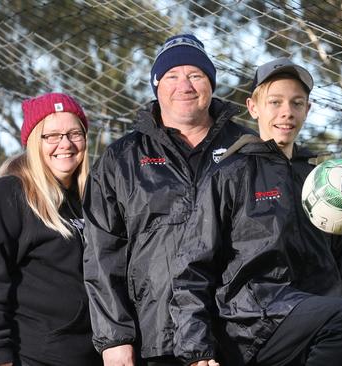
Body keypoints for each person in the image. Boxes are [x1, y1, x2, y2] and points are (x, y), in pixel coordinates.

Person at [170, 58, 342, 366]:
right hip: (251, 327)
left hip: (311, 323)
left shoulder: (321, 184)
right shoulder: (229, 175)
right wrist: (196, 350)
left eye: (297, 103)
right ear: (253, 107)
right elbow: (192, 267)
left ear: (307, 111)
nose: (287, 111)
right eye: (275, 102)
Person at [82, 34, 256, 366]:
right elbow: (101, 254)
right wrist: (115, 339)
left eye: (196, 75)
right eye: (173, 76)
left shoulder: (248, 149)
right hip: (157, 338)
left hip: (238, 335)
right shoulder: (122, 159)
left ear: (210, 84)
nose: (184, 85)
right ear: (157, 85)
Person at [0, 92, 102, 366]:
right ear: (34, 142)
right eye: (52, 135)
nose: (66, 144)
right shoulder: (6, 195)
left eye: (75, 133)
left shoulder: (88, 203)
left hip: (81, 356)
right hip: (26, 355)